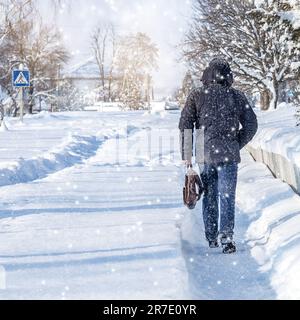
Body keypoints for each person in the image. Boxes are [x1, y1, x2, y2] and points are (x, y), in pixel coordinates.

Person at [179, 58, 258, 254]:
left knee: (210, 195)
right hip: (228, 155)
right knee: (227, 195)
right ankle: (227, 236)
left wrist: (187, 155)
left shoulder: (196, 95)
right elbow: (251, 125)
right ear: (228, 76)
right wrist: (236, 143)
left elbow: (186, 125)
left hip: (204, 154)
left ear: (207, 74)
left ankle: (211, 236)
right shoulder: (237, 96)